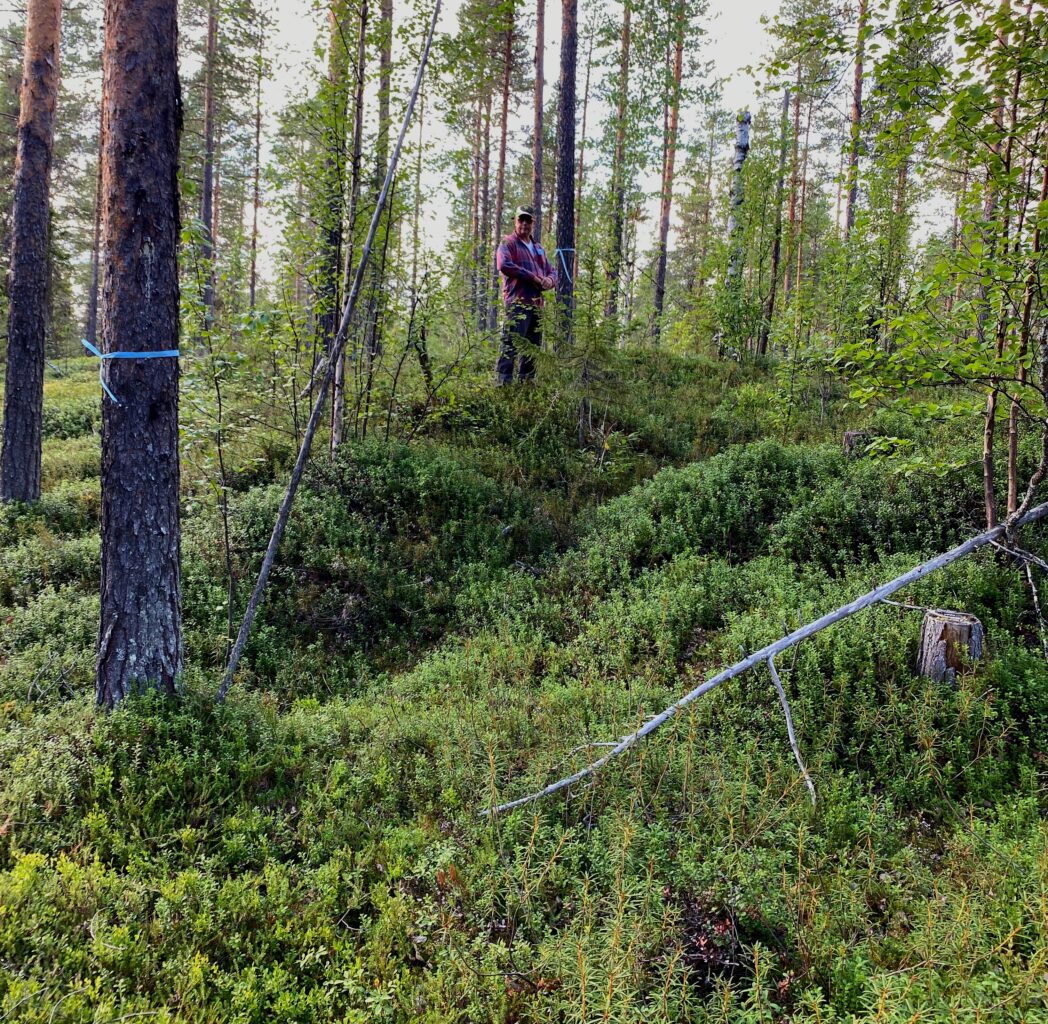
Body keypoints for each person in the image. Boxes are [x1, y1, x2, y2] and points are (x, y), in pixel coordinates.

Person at [495, 205, 557, 384]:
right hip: (517, 303)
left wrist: (549, 281)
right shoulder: (508, 243)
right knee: (510, 343)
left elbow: (552, 271)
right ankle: (503, 385)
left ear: (533, 223)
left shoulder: (539, 248)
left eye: (528, 220)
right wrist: (534, 278)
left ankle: (527, 385)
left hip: (537, 305)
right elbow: (504, 265)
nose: (524, 223)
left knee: (532, 347)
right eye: (521, 219)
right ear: (515, 221)